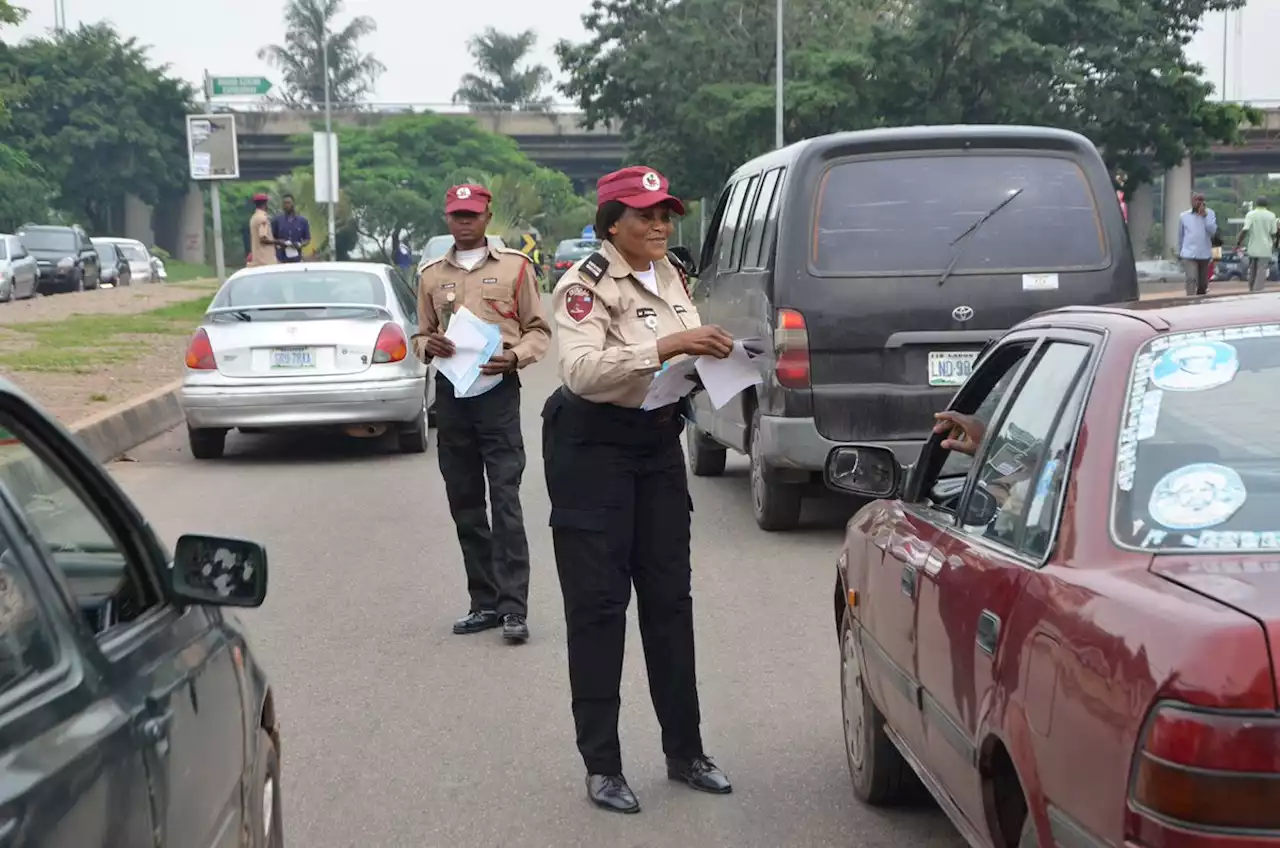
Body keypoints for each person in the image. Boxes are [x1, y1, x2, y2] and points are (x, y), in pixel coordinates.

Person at [542, 166, 736, 815]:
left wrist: (712, 363)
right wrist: (669, 344)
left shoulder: (670, 273)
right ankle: (602, 765)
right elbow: (582, 372)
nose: (659, 225)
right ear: (611, 224)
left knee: (668, 601)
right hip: (592, 449)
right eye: (645, 215)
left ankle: (686, 752)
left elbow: (679, 356)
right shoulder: (584, 285)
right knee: (598, 609)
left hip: (655, 445)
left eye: (665, 215)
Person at [413, 184, 550, 645]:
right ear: (446, 218)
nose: (464, 221)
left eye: (472, 214)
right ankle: (484, 602)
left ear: (487, 215)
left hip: (497, 392)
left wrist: (515, 358)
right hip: (452, 396)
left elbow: (538, 330)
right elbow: (421, 334)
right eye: (457, 214)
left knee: (505, 499)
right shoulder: (431, 275)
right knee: (465, 500)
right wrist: (425, 345)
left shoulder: (515, 267)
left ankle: (515, 609)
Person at [1177, 192, 1218, 296]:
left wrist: (1204, 217)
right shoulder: (1184, 216)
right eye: (1196, 200)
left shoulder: (1210, 214)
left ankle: (1200, 301)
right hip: (1189, 253)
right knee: (1191, 278)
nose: (1198, 202)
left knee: (1203, 284)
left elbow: (1213, 231)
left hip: (1204, 253)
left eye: (1201, 200)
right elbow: (1181, 235)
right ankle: (1189, 300)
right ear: (1191, 201)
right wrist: (1180, 250)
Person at [1237, 197, 1278, 293]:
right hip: (1265, 248)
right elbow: (1273, 233)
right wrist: (1275, 244)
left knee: (1252, 269)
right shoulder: (1271, 216)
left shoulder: (1250, 215)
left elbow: (1245, 230)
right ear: (1266, 204)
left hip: (1252, 247)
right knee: (1261, 270)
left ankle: (1251, 289)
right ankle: (1258, 290)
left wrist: (1238, 242)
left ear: (1256, 204)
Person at [271, 194, 311, 263]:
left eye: (288, 203)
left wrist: (300, 244)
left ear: (293, 204)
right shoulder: (277, 221)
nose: (286, 205)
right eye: (284, 203)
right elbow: (271, 238)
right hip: (281, 259)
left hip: (297, 259)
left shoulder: (302, 221)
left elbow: (307, 239)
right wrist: (280, 242)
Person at [247, 193, 277, 267]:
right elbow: (263, 238)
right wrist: (278, 242)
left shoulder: (254, 217)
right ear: (265, 204)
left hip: (257, 259)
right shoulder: (263, 218)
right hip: (265, 261)